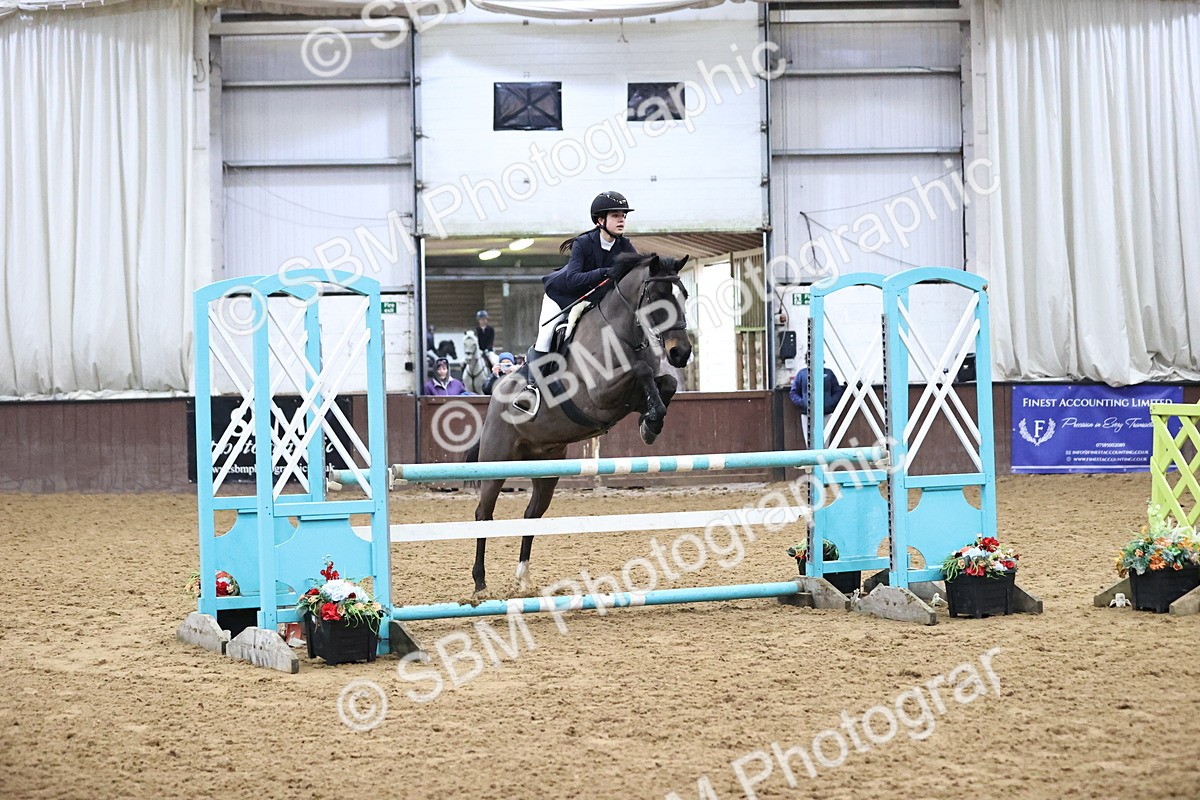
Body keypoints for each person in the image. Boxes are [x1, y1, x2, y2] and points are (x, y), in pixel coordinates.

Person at [524, 191, 639, 385]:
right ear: (600, 220)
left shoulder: (625, 246)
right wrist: (604, 272)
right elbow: (573, 279)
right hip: (562, 297)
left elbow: (638, 271)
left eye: (623, 216)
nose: (621, 220)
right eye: (615, 215)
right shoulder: (583, 243)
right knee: (546, 338)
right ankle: (532, 387)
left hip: (593, 300)